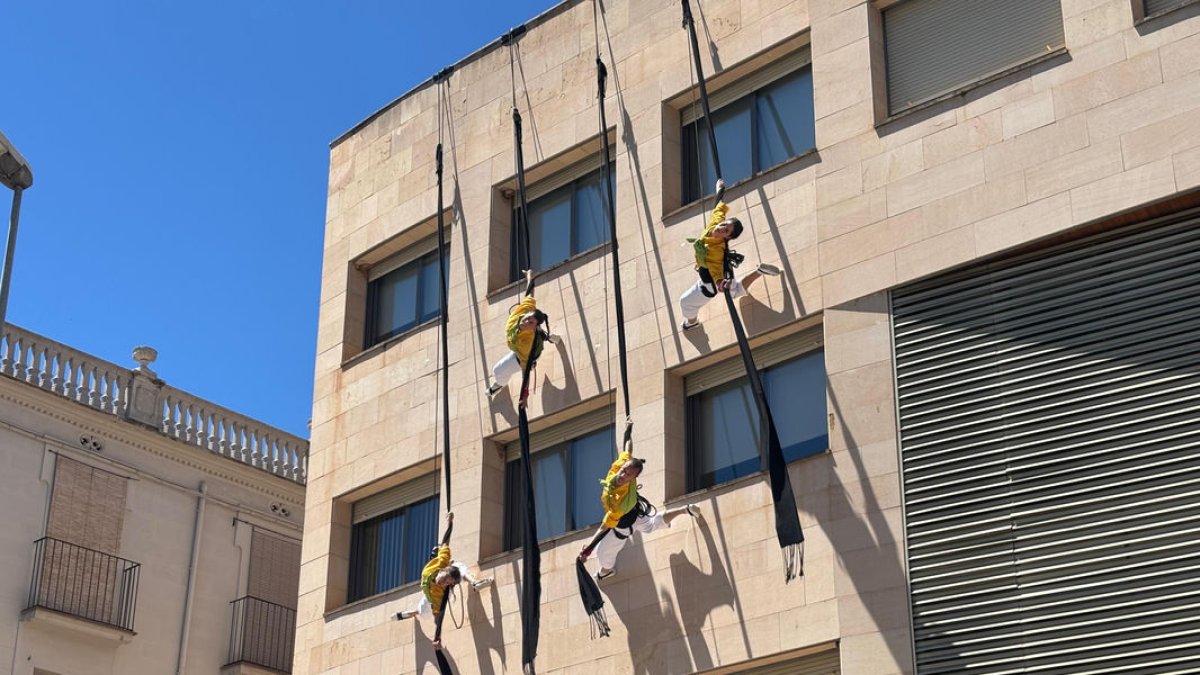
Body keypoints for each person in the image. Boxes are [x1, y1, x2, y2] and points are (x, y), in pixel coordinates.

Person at [577, 423, 698, 580]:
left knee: (602, 552)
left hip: (623, 527)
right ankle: (685, 510)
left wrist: (589, 550)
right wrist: (629, 430)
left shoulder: (620, 502)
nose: (622, 475)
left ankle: (606, 571)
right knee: (653, 524)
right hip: (637, 514)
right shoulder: (619, 466)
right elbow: (628, 449)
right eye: (623, 471)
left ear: (633, 479)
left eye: (628, 475)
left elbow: (604, 527)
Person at [678, 178, 781, 331]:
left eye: (725, 231)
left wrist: (720, 283)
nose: (722, 228)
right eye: (724, 225)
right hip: (715, 276)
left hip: (710, 282)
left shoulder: (716, 250)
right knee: (736, 289)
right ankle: (759, 271)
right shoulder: (715, 223)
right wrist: (720, 189)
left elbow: (716, 270)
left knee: (685, 302)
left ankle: (691, 323)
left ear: (726, 238)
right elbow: (718, 208)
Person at [395, 512, 493, 649]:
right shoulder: (433, 570)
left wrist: (450, 523)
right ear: (442, 571)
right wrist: (437, 637)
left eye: (447, 582)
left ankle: (473, 582)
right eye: (445, 580)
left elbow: (446, 540)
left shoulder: (443, 564)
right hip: (429, 599)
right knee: (423, 611)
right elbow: (438, 616)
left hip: (442, 586)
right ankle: (412, 613)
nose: (444, 582)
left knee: (459, 566)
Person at [487, 269, 556, 406]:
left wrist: (525, 395)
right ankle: (546, 336)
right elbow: (529, 292)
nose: (526, 322)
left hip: (523, 356)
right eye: (528, 318)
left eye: (530, 323)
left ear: (534, 327)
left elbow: (526, 370)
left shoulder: (526, 344)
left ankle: (498, 386)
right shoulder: (526, 308)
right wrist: (530, 276)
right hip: (523, 346)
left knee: (497, 370)